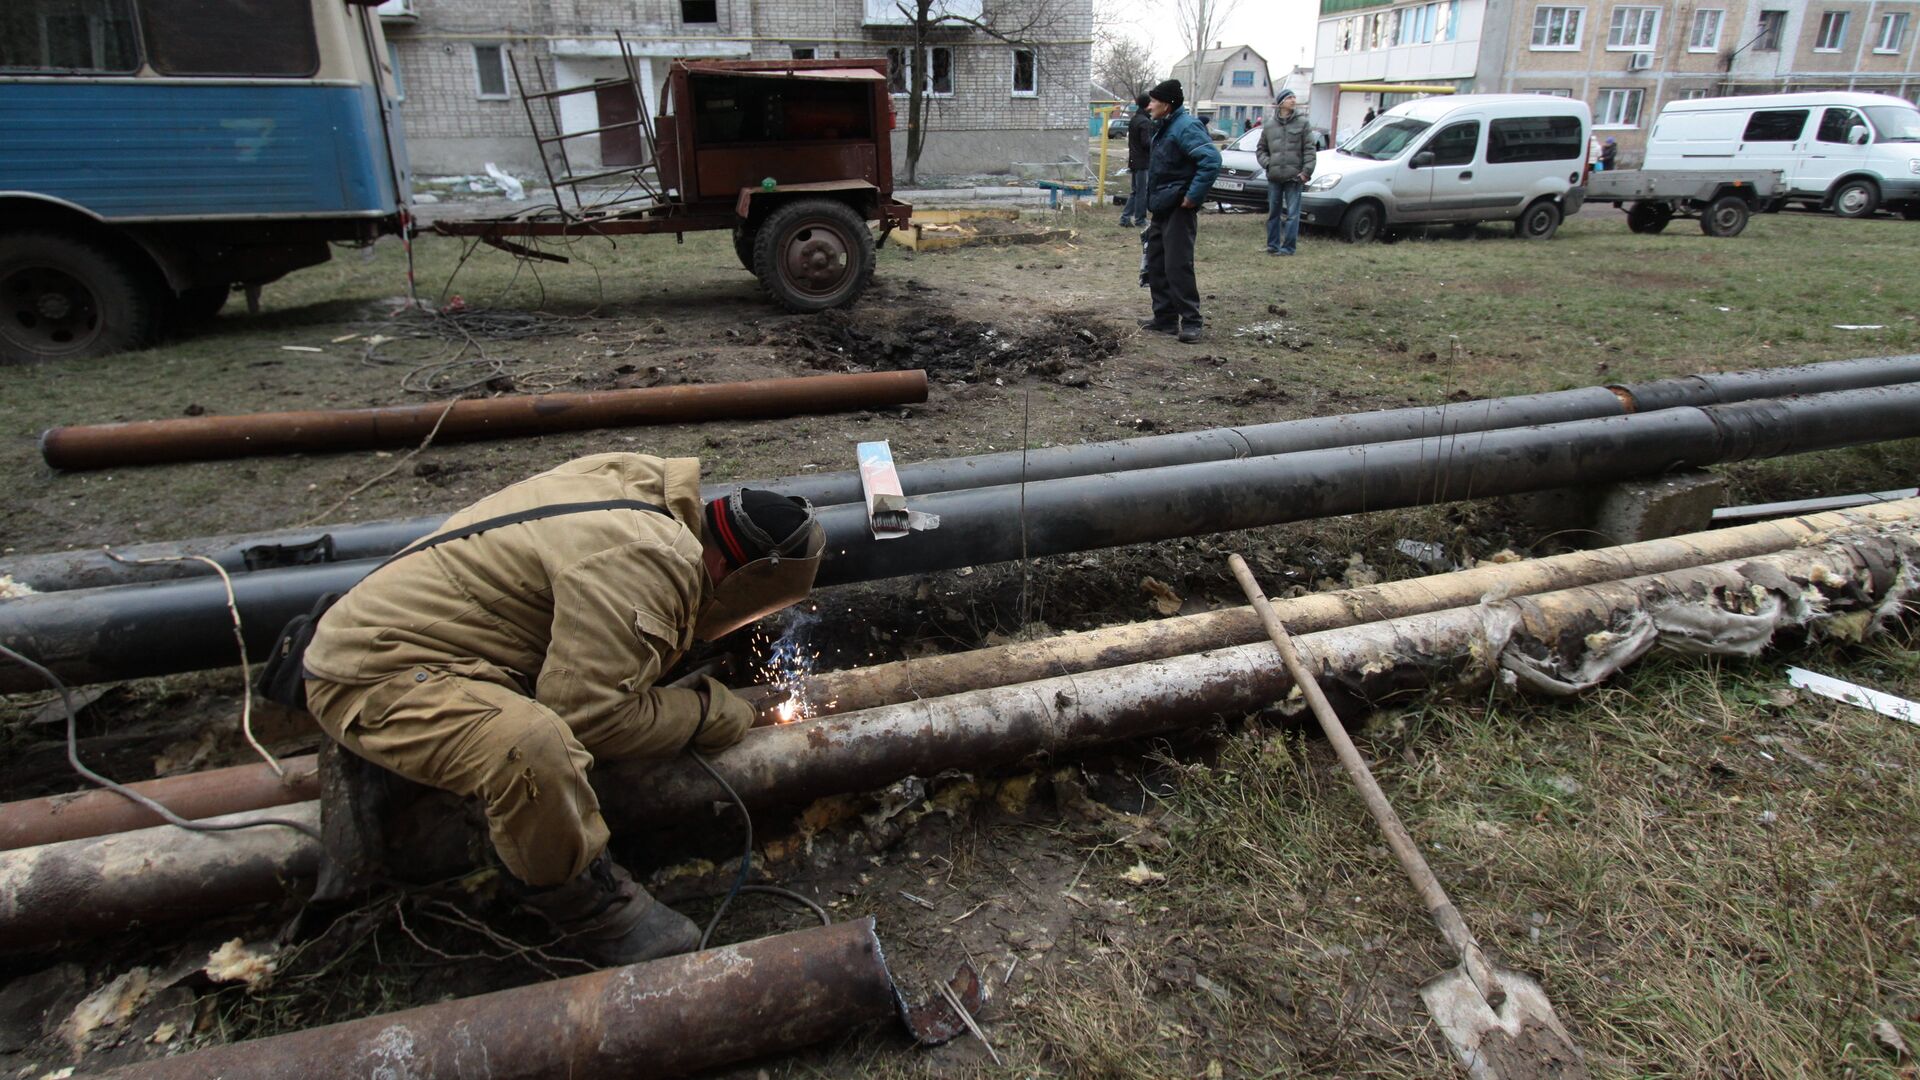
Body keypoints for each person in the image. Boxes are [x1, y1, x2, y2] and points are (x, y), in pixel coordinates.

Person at [301, 452, 825, 966]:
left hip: (418, 633)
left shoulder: (638, 486)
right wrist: (709, 714)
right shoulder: (648, 560)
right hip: (372, 672)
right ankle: (580, 901)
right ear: (731, 568)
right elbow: (590, 717)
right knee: (534, 745)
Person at [1139, 78, 1221, 344]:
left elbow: (1210, 160)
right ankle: (1164, 319)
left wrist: (1192, 196)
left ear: (1167, 103)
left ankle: (1191, 322)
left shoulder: (1185, 127)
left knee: (1177, 265)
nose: (1149, 106)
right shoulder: (1164, 127)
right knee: (1157, 262)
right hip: (1162, 206)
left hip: (1178, 207)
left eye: (1153, 101)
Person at [1256, 88, 1316, 256]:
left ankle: (1288, 247)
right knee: (1273, 213)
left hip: (1294, 177)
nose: (1293, 100)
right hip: (1274, 176)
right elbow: (1261, 149)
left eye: (1294, 97)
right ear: (1281, 102)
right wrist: (1268, 164)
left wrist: (1306, 172)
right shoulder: (1269, 125)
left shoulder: (1303, 123)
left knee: (1292, 214)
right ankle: (1272, 245)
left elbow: (1310, 150)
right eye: (1289, 97)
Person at [1119, 93, 1153, 228]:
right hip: (1143, 161)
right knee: (1141, 192)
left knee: (1136, 191)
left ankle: (1125, 218)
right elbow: (1146, 143)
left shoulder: (1135, 119)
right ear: (1148, 105)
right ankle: (1140, 219)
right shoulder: (1145, 121)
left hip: (1134, 160)